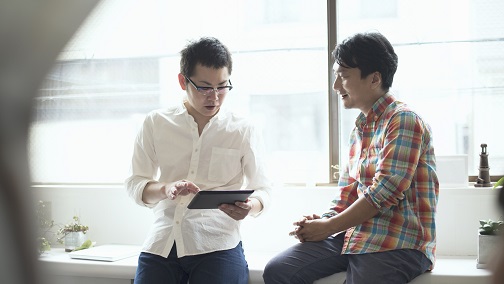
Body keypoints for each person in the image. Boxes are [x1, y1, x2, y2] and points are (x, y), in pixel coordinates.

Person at [263, 32, 439, 284]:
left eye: (343, 76)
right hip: (355, 236)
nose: (335, 86)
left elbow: (384, 193)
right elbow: (348, 192)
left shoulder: (404, 121)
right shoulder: (360, 128)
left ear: (374, 78)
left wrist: (329, 226)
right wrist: (323, 222)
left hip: (398, 242)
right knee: (279, 270)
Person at [125, 37, 271, 284]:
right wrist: (165, 189)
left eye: (222, 86)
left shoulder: (242, 129)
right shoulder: (156, 122)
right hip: (162, 241)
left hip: (218, 242)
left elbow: (264, 188)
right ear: (183, 81)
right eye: (204, 87)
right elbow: (136, 184)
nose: (214, 97)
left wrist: (251, 206)